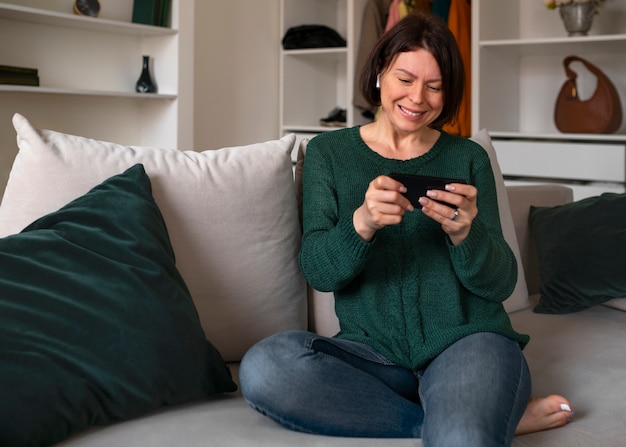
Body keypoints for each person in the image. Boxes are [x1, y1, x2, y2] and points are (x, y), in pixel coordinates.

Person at [239, 12, 573, 446]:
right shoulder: (328, 153)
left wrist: (464, 235)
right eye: (405, 79)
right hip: (372, 355)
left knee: (464, 437)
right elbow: (320, 271)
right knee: (266, 366)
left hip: (467, 344)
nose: (419, 98)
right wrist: (362, 223)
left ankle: (463, 414)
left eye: (435, 87)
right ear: (379, 72)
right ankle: (447, 417)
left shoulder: (467, 158)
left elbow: (500, 283)